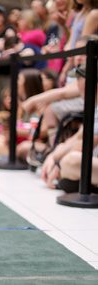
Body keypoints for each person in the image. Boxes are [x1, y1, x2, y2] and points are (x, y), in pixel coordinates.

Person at [41, 64, 98, 192]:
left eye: (80, 79)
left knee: (71, 161)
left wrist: (58, 162)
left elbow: (89, 142)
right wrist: (54, 156)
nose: (77, 84)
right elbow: (78, 137)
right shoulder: (94, 106)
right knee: (63, 153)